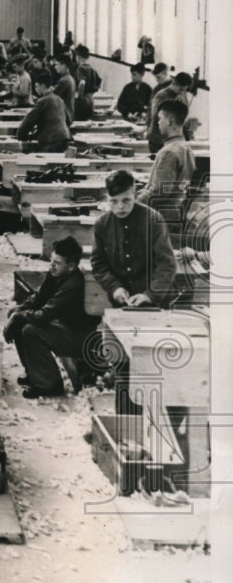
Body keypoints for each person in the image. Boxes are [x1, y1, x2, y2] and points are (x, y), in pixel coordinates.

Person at [91, 170, 177, 413]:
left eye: (126, 200)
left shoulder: (153, 220)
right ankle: (126, 421)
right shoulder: (102, 225)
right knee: (123, 365)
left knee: (154, 364)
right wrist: (115, 287)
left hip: (155, 307)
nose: (120, 207)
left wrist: (150, 294)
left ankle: (154, 419)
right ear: (107, 198)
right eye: (114, 201)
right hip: (122, 308)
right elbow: (98, 264)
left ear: (135, 194)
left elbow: (167, 264)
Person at [3, 236, 87, 399]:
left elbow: (44, 315)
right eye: (51, 261)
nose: (51, 266)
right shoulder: (56, 274)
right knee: (20, 319)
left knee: (30, 330)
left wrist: (18, 317)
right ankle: (34, 373)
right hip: (61, 326)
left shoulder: (73, 284)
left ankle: (49, 384)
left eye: (57, 263)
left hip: (77, 336)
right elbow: (38, 298)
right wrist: (18, 310)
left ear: (71, 266)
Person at [136, 99, 196, 242]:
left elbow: (159, 191)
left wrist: (133, 204)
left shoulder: (169, 152)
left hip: (162, 219)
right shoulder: (185, 147)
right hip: (175, 213)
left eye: (160, 119)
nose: (158, 123)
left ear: (169, 121)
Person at [16, 71, 70, 152]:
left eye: (36, 86)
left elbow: (29, 120)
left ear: (43, 86)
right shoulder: (59, 99)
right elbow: (67, 120)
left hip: (51, 141)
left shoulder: (43, 101)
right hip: (65, 139)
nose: (35, 89)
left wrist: (21, 135)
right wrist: (36, 135)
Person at [145, 71, 193, 155]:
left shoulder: (182, 94)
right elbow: (156, 116)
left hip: (175, 138)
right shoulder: (161, 95)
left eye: (185, 90)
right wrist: (174, 107)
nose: (182, 92)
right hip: (158, 139)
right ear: (174, 83)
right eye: (181, 89)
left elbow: (184, 114)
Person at [73, 45, 101, 121]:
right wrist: (91, 92)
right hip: (91, 99)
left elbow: (82, 83)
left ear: (78, 57)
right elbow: (99, 82)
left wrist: (80, 96)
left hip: (83, 100)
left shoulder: (81, 69)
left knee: (79, 122)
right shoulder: (91, 69)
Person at [50, 53, 77, 128]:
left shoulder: (64, 81)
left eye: (57, 64)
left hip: (64, 116)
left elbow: (52, 98)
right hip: (70, 114)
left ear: (64, 65)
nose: (55, 67)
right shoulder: (70, 78)